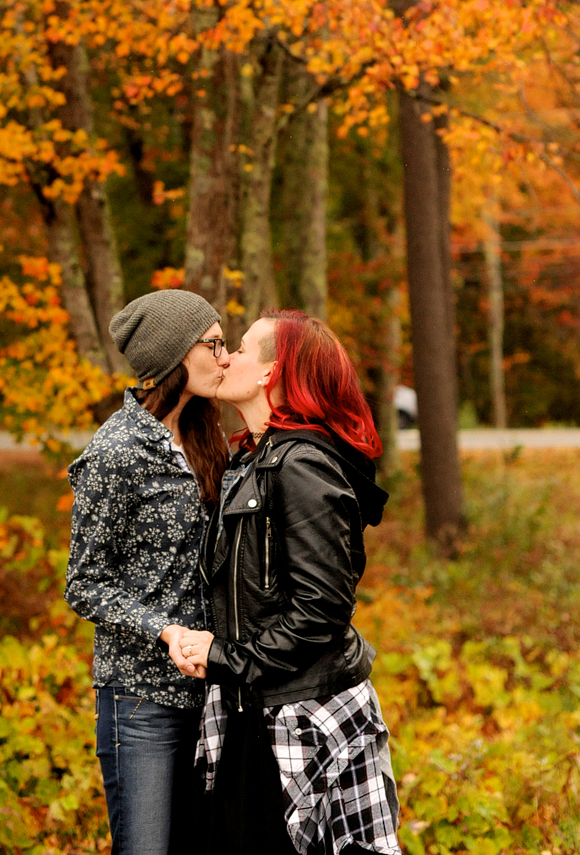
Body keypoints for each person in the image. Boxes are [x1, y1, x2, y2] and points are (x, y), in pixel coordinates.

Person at [179, 310, 400, 855]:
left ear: (270, 375)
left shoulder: (301, 465)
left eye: (243, 348)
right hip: (254, 706)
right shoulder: (251, 459)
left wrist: (223, 657)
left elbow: (320, 613)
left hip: (304, 714)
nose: (225, 356)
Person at [64, 288, 231, 855]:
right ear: (177, 355)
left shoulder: (208, 437)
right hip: (141, 702)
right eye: (213, 344)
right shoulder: (115, 452)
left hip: (212, 691)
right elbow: (84, 582)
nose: (224, 356)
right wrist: (166, 630)